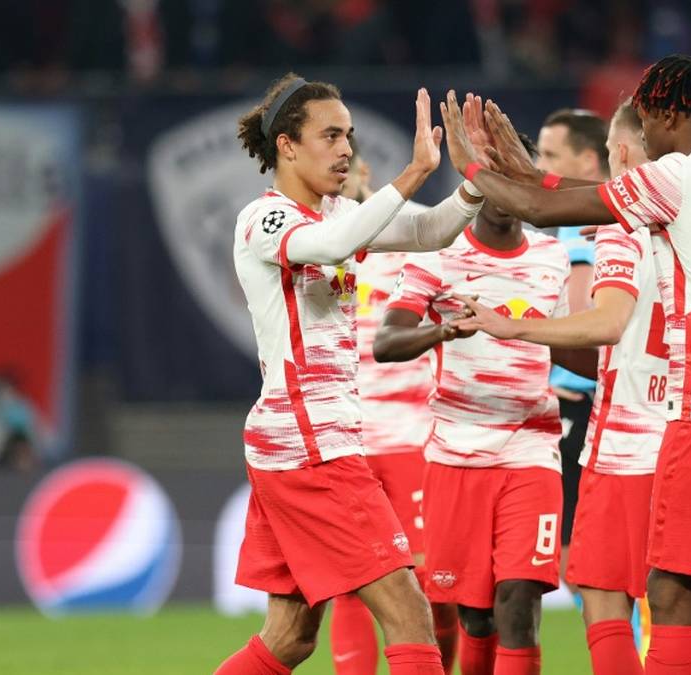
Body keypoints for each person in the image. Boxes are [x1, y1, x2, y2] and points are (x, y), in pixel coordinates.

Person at [439, 54, 691, 675]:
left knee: (669, 589)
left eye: (647, 123)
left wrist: (473, 170)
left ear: (669, 116)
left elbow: (546, 212)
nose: (646, 137)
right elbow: (571, 197)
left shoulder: (677, 175)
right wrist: (525, 173)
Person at [215, 73, 486, 675]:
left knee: (289, 637)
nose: (345, 149)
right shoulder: (265, 220)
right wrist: (413, 173)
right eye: (330, 136)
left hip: (306, 442)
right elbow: (332, 244)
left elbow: (428, 231)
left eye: (349, 136)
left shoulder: (340, 212)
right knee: (410, 615)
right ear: (287, 146)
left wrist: (475, 180)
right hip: (310, 446)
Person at [371, 132, 570, 675]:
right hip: (456, 456)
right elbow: (387, 342)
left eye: (513, 177)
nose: (503, 190)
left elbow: (571, 345)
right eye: (491, 177)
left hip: (531, 451)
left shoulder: (552, 257)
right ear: (472, 182)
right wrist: (443, 330)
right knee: (476, 617)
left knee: (518, 602)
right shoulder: (439, 256)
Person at [328, 147, 459, 675]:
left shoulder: (417, 238)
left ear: (364, 173)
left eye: (343, 175)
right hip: (345, 445)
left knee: (434, 583)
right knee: (352, 584)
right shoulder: (315, 247)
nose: (335, 190)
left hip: (413, 438)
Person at [533, 108, 609, 590]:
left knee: (579, 566)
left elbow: (582, 317)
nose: (540, 167)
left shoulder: (578, 225)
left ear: (586, 160)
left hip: (581, 401)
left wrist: (559, 373)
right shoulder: (625, 214)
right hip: (624, 396)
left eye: (550, 155)